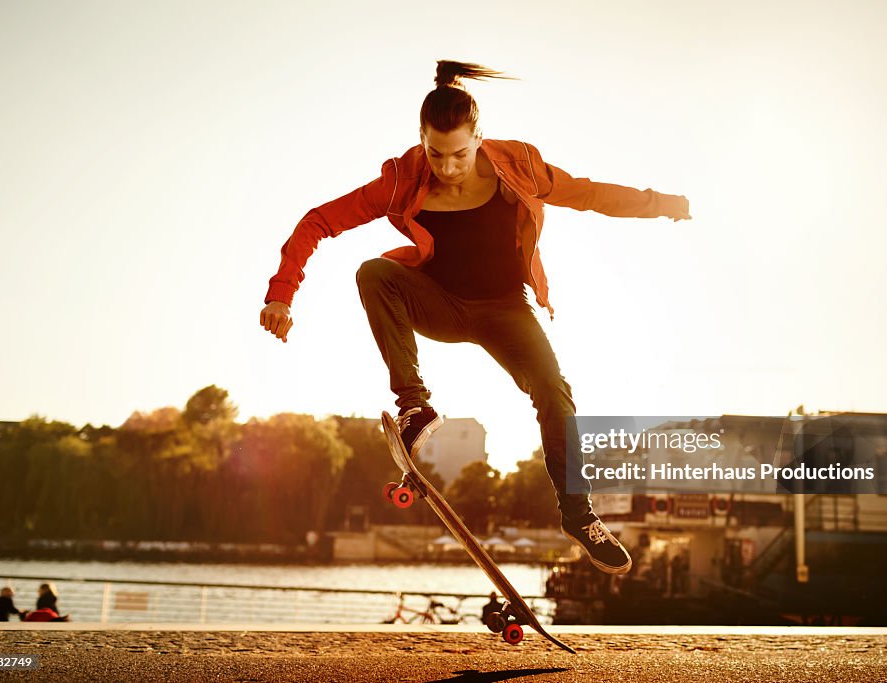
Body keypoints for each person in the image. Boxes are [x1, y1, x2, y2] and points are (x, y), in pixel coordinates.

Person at [260, 60, 692, 575]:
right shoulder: (402, 178)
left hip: (506, 309)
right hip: (439, 304)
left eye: (460, 154)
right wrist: (282, 294)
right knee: (374, 273)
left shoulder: (520, 165)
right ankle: (414, 406)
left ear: (479, 138)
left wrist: (661, 203)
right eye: (435, 154)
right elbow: (319, 221)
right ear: (421, 141)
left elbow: (590, 194)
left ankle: (579, 515)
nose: (447, 168)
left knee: (556, 394)